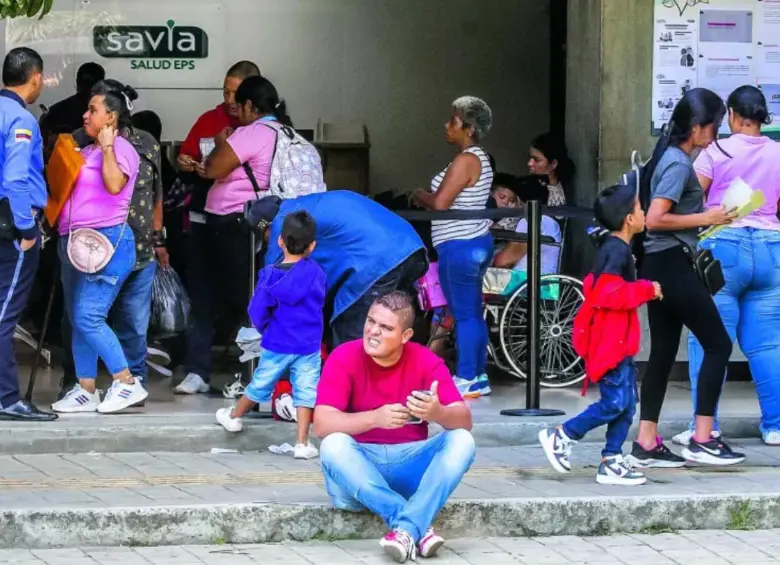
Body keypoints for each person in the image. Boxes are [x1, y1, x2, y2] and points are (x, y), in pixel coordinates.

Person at [628, 88, 744, 468]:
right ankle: (703, 437)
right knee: (718, 345)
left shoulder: (665, 154)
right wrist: (707, 217)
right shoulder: (678, 162)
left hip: (657, 264)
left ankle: (646, 442)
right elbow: (656, 218)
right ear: (696, 127)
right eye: (714, 124)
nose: (717, 132)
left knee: (662, 353)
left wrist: (702, 222)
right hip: (671, 265)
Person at [316, 291, 474, 564]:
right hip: (357, 476)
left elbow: (465, 421)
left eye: (386, 327)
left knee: (462, 440)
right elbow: (322, 424)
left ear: (405, 335)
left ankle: (405, 529)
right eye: (370, 321)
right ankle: (414, 525)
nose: (373, 332)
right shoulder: (343, 356)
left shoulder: (425, 360)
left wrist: (438, 412)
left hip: (409, 465)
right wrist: (374, 418)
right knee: (332, 445)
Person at [674, 86, 780, 448]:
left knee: (708, 340)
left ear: (732, 114)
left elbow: (691, 198)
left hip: (724, 249)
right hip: (771, 249)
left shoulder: (715, 151)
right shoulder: (778, 152)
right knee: (767, 345)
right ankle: (775, 426)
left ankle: (706, 426)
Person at [539, 184, 662, 486]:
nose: (644, 212)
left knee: (626, 404)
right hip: (610, 343)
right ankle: (563, 434)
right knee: (615, 403)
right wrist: (647, 289)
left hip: (618, 342)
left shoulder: (616, 247)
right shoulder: (617, 250)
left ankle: (611, 460)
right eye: (640, 207)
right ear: (628, 218)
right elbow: (607, 293)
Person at [176, 74, 288, 395]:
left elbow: (214, 168)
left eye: (235, 95)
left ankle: (250, 376)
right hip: (220, 222)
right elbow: (191, 160)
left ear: (250, 103)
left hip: (238, 226)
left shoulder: (254, 131)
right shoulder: (279, 131)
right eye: (225, 92)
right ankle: (214, 372)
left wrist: (220, 146)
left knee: (243, 300)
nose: (230, 100)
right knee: (215, 296)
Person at [57, 102, 168, 401]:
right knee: (78, 318)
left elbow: (115, 184)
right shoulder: (87, 149)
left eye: (92, 110)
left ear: (111, 117)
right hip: (78, 242)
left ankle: (126, 381)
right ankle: (86, 389)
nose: (85, 115)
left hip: (105, 242)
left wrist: (107, 147)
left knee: (88, 317)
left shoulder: (122, 149)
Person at [246, 192, 427, 350]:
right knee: (390, 330)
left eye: (266, 238)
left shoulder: (284, 221)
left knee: (350, 335)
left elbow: (274, 280)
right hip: (412, 249)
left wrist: (261, 326)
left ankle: (353, 380)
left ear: (267, 227)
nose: (270, 242)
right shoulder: (310, 204)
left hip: (377, 262)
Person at [216, 211, 325, 460]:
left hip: (277, 342)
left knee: (261, 383)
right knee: (306, 391)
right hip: (308, 344)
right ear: (312, 246)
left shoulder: (269, 277)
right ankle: (302, 443)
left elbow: (256, 311)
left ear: (280, 241)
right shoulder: (317, 273)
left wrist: (266, 328)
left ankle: (233, 417)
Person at [412, 96, 494, 398]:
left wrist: (419, 194)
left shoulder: (467, 160)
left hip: (461, 245)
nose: (447, 125)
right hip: (473, 242)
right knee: (471, 311)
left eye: (453, 121)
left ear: (469, 129)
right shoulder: (476, 158)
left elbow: (440, 203)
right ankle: (478, 375)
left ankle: (467, 376)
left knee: (464, 314)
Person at [0, 47, 56, 421]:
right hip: (11, 225)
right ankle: (6, 398)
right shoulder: (21, 119)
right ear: (35, 77)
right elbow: (16, 179)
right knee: (5, 314)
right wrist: (26, 229)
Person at [494, 174, 562, 274]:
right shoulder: (546, 220)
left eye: (514, 199)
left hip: (526, 278)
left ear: (520, 199)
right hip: (540, 278)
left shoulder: (532, 220)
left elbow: (503, 261)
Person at [39, 62, 105, 157]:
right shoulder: (104, 115)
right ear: (100, 85)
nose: (86, 116)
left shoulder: (55, 111)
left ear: (77, 82)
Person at [528, 132, 574, 208]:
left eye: (537, 160)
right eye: (530, 158)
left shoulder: (565, 190)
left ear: (553, 164)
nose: (529, 163)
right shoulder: (527, 185)